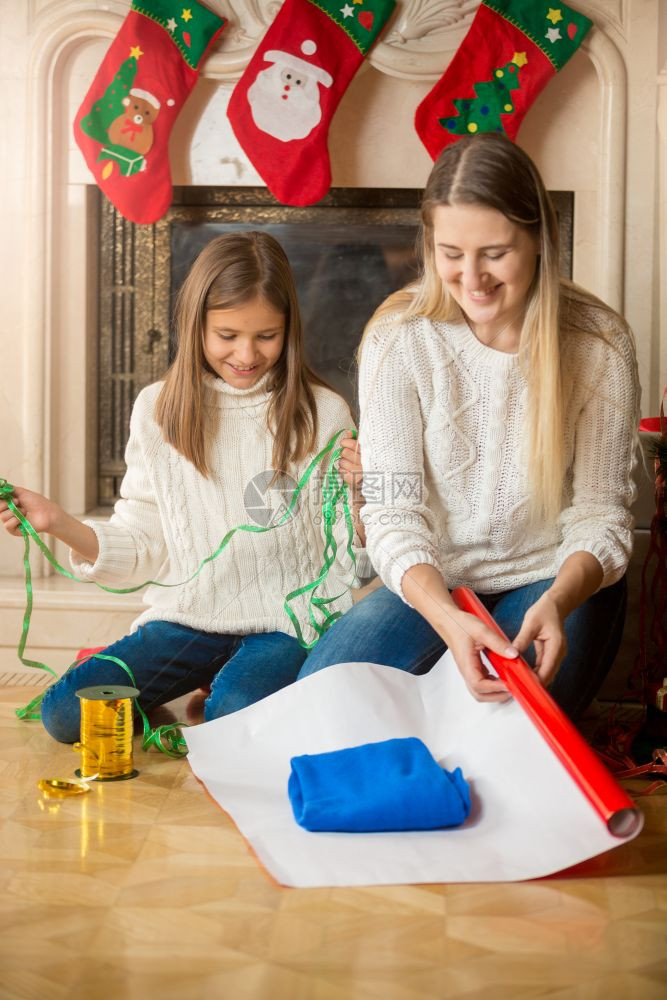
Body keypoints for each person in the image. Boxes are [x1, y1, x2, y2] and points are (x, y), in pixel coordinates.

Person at [298, 132, 640, 719]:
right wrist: (448, 619)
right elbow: (392, 509)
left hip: (552, 580)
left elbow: (602, 514)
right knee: (319, 714)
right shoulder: (398, 339)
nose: (473, 278)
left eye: (495, 252)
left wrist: (561, 598)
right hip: (436, 582)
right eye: (451, 253)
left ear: (539, 239)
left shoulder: (599, 346)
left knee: (501, 732)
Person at [0, 232, 370, 742]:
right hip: (191, 618)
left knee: (233, 722)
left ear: (290, 330)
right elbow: (144, 543)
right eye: (227, 335)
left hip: (287, 627)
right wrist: (57, 522)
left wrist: (361, 497)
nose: (246, 354)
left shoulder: (323, 411)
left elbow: (354, 559)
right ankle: (202, 675)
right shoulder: (158, 411)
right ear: (195, 326)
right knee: (66, 716)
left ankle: (219, 686)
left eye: (266, 335)